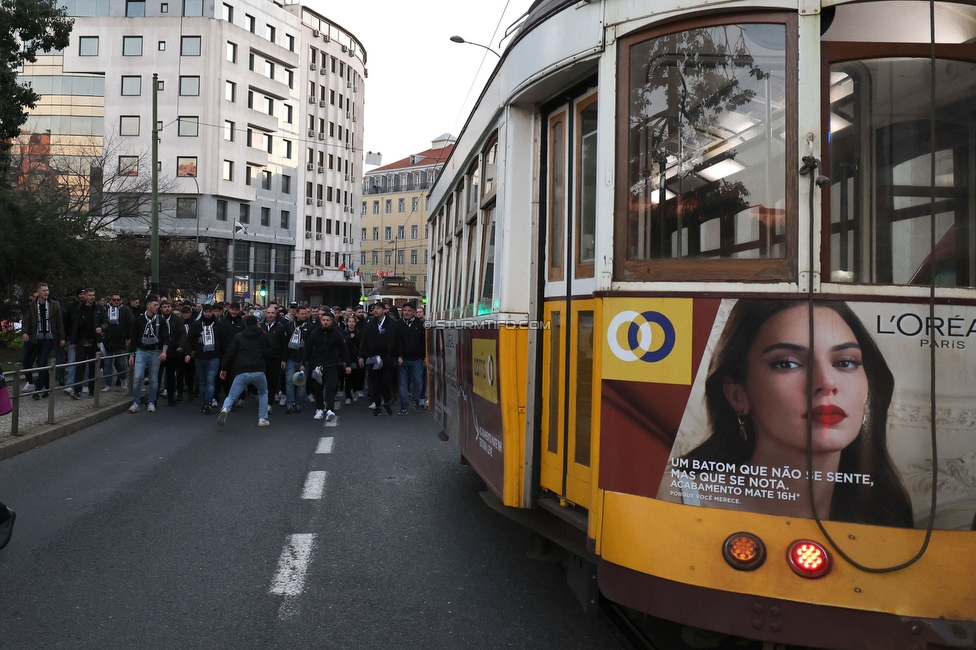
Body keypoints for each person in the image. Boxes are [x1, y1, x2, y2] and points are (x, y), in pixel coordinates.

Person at [662, 300, 913, 528]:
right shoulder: (675, 498)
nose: (826, 383)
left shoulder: (885, 512)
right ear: (738, 395)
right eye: (787, 363)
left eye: (845, 362)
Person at [217, 315, 271, 427]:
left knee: (232, 396)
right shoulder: (262, 336)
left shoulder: (239, 336)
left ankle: (225, 409)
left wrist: (224, 368)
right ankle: (262, 418)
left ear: (245, 324)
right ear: (257, 323)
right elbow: (268, 352)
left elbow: (230, 353)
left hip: (242, 370)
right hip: (258, 369)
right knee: (263, 393)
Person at [301, 309, 351, 422]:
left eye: (327, 320)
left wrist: (347, 364)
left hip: (332, 365)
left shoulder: (337, 334)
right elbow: (307, 349)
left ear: (332, 321)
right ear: (320, 320)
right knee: (318, 388)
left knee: (331, 387)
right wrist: (303, 363)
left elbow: (344, 350)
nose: (325, 322)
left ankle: (330, 410)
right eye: (323, 320)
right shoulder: (314, 333)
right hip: (317, 365)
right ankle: (319, 409)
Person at [21, 283, 65, 399]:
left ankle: (38, 388)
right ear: (38, 292)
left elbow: (59, 323)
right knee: (37, 362)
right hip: (36, 337)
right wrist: (25, 332)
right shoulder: (32, 305)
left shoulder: (54, 305)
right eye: (44, 290)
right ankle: (46, 387)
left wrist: (62, 337)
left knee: (42, 361)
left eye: (47, 290)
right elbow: (27, 321)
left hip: (49, 338)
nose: (46, 292)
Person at [128, 295, 169, 413]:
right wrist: (131, 354)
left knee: (154, 378)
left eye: (158, 305)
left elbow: (166, 337)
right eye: (155, 305)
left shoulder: (160, 320)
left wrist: (164, 351)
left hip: (155, 351)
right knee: (137, 376)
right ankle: (136, 402)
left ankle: (151, 401)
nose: (157, 307)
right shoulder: (139, 320)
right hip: (142, 351)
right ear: (149, 305)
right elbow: (134, 338)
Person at [359, 301, 399, 416]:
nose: (375, 311)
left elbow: (397, 340)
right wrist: (361, 356)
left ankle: (386, 402)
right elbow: (364, 340)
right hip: (373, 357)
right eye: (374, 309)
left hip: (387, 357)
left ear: (384, 310)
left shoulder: (392, 324)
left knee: (387, 382)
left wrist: (399, 355)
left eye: (378, 308)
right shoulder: (370, 324)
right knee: (375, 383)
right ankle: (377, 404)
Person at [67, 288, 107, 398]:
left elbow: (106, 321)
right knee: (80, 366)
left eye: (93, 295)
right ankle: (77, 391)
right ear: (85, 296)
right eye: (90, 295)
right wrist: (73, 341)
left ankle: (92, 390)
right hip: (81, 340)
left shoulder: (99, 308)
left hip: (94, 340)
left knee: (93, 366)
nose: (92, 297)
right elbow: (74, 326)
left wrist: (101, 328)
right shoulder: (79, 308)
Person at [186, 303, 221, 414]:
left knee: (210, 380)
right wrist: (189, 352)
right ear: (203, 312)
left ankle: (208, 403)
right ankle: (204, 402)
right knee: (202, 382)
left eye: (210, 312)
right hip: (200, 357)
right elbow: (190, 340)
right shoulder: (196, 325)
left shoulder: (218, 325)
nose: (208, 314)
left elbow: (223, 341)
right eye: (206, 312)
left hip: (214, 357)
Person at [395, 301, 426, 415]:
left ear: (414, 312)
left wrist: (425, 357)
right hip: (402, 359)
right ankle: (404, 406)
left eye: (409, 311)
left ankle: (416, 399)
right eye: (405, 310)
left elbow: (424, 342)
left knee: (418, 381)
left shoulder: (420, 324)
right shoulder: (398, 324)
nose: (407, 313)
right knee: (403, 383)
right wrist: (398, 355)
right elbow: (396, 341)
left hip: (417, 358)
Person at [102, 293, 133, 392]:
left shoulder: (125, 310)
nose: (116, 302)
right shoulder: (105, 309)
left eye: (118, 300)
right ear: (111, 300)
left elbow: (130, 324)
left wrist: (129, 337)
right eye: (114, 300)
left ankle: (123, 379)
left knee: (122, 363)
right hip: (108, 341)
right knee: (107, 364)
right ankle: (108, 383)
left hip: (121, 340)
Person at [262, 305, 288, 414]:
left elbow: (284, 345)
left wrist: (283, 359)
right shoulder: (260, 326)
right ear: (265, 314)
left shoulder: (280, 327)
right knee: (262, 383)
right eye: (268, 313)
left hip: (275, 359)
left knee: (272, 383)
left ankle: (269, 404)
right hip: (262, 359)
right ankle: (263, 403)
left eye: (273, 313)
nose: (270, 315)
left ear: (276, 314)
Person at [342, 315, 363, 405]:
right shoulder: (343, 333)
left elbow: (361, 345)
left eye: (353, 322)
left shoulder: (359, 333)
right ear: (347, 323)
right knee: (347, 377)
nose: (351, 323)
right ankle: (348, 396)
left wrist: (355, 338)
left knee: (356, 376)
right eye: (349, 321)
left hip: (356, 357)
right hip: (347, 358)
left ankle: (355, 390)